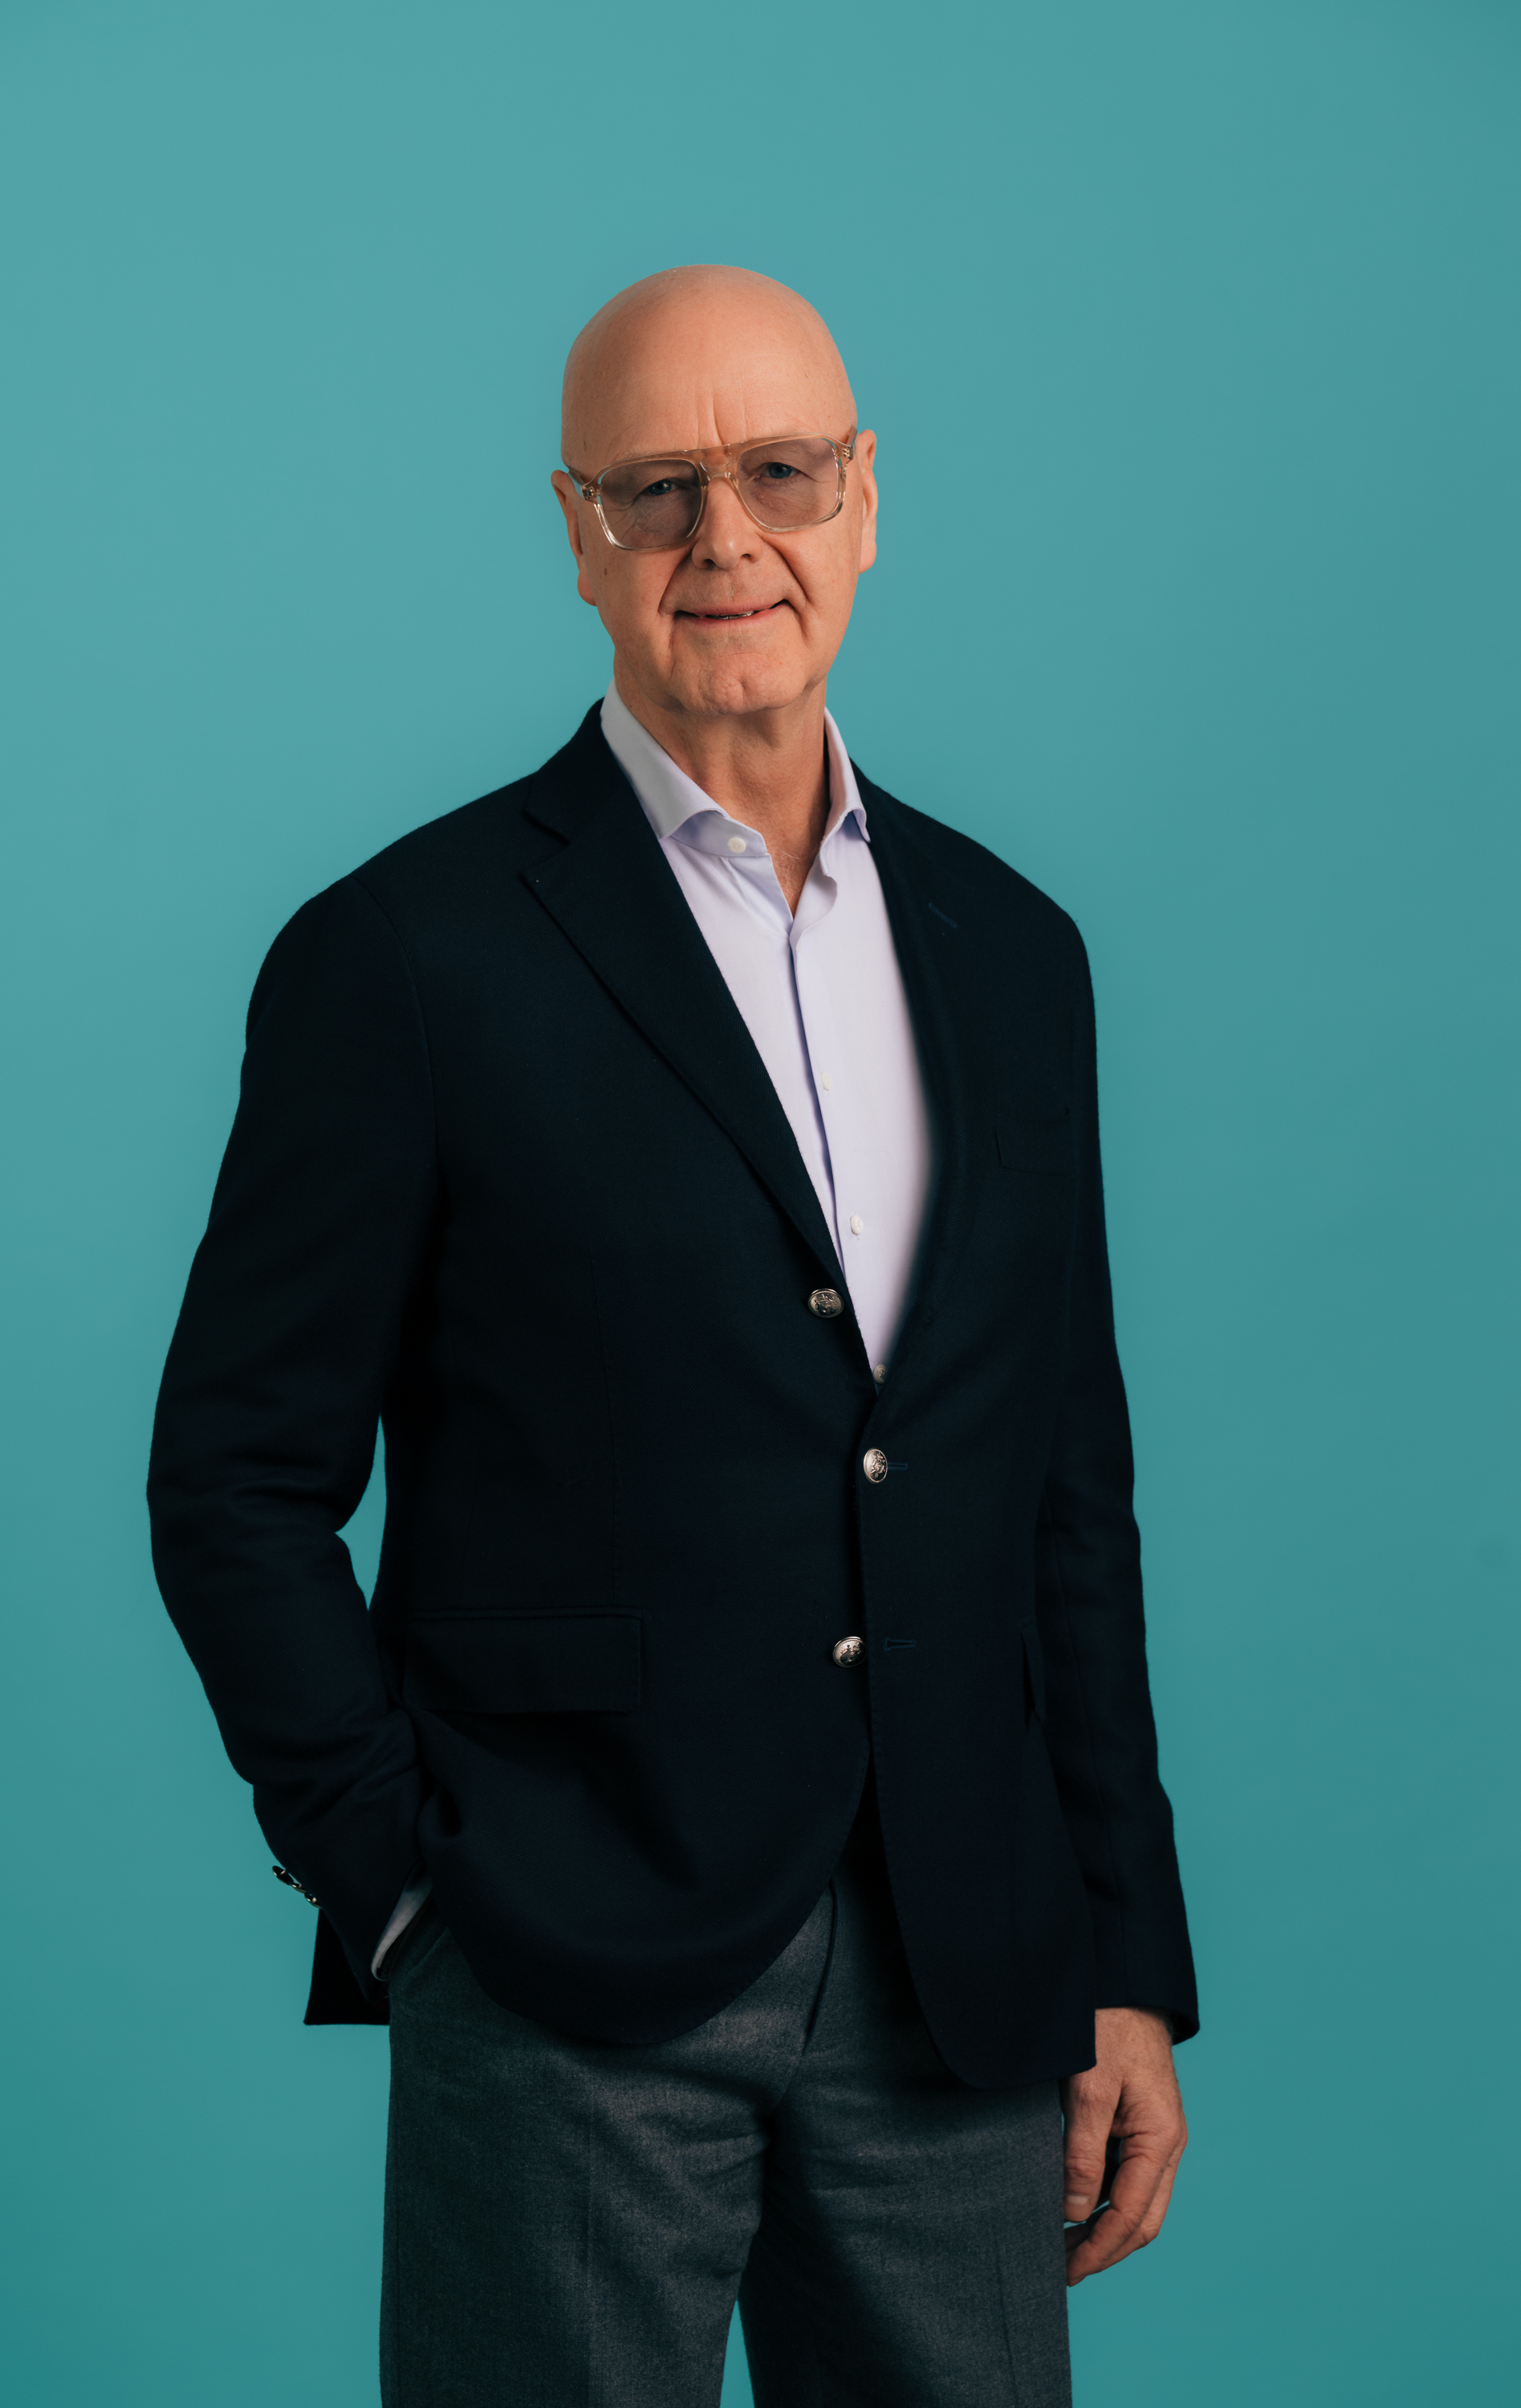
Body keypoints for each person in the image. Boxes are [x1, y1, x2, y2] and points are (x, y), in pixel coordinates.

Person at [149, 263, 1197, 2408]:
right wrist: (405, 1897)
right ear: (576, 531)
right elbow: (235, 1478)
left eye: (780, 473)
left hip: (965, 1974)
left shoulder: (1017, 953)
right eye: (657, 488)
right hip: (562, 1965)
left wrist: (1123, 1956)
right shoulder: (404, 957)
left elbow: (1062, 1493)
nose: (727, 537)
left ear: (866, 498)